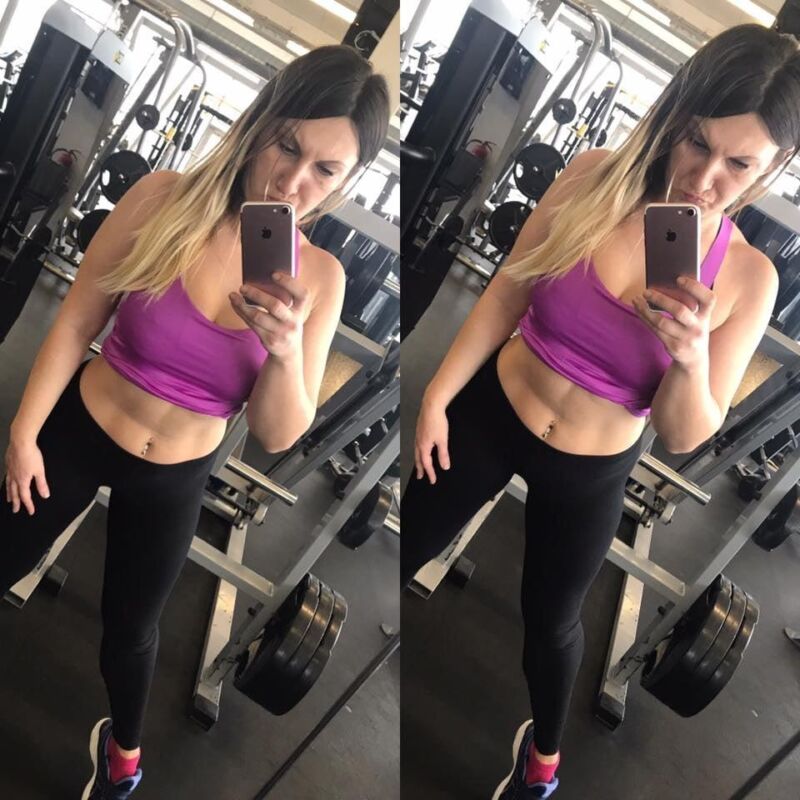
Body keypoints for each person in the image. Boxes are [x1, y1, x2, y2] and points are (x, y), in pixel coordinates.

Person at [401, 24, 800, 800]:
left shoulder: (750, 280)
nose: (704, 178)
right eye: (697, 142)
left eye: (739, 164)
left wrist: (690, 357)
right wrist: (440, 394)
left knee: (551, 621)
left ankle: (543, 759)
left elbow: (684, 435)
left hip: (591, 465)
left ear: (776, 166)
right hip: (492, 412)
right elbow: (509, 289)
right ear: (676, 116)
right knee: (409, 538)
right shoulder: (591, 179)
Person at [0, 45, 389, 799]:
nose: (294, 182)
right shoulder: (161, 200)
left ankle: (123, 752)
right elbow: (76, 321)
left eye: (325, 170)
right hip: (81, 429)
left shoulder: (320, 277)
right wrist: (22, 433)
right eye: (288, 146)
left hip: (176, 473)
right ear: (262, 123)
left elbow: (277, 435)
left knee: (132, 631)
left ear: (348, 181)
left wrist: (284, 351)